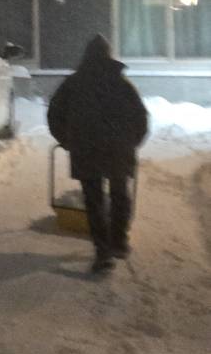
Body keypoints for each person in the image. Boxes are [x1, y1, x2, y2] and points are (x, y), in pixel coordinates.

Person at [47, 33, 148, 273]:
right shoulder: (122, 85)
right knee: (119, 194)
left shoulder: (73, 84)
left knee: (94, 201)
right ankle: (119, 242)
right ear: (108, 55)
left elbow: (54, 115)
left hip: (86, 150)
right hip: (117, 149)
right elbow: (140, 118)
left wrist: (68, 140)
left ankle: (103, 253)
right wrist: (131, 142)